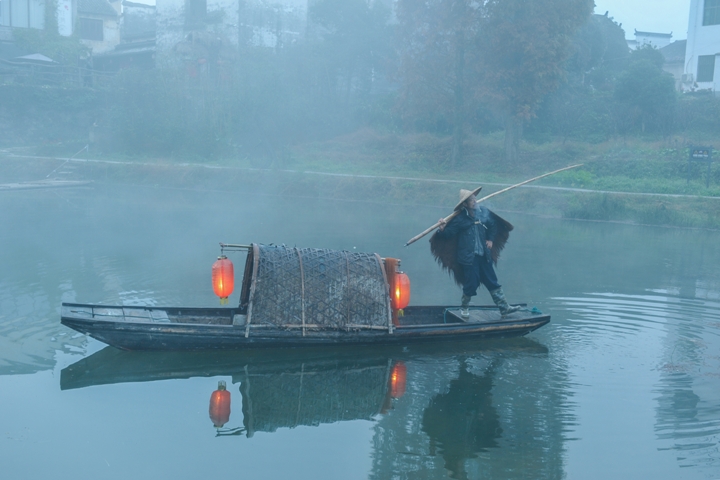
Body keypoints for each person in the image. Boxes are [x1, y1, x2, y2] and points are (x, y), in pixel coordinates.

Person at [433, 187, 520, 318]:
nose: (474, 201)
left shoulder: (482, 212)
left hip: (484, 255)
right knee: (471, 284)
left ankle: (504, 308)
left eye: (474, 198)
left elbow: (493, 225)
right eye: (471, 200)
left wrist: (490, 239)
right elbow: (448, 234)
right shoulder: (460, 219)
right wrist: (442, 228)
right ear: (465, 204)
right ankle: (464, 308)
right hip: (468, 258)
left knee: (492, 282)